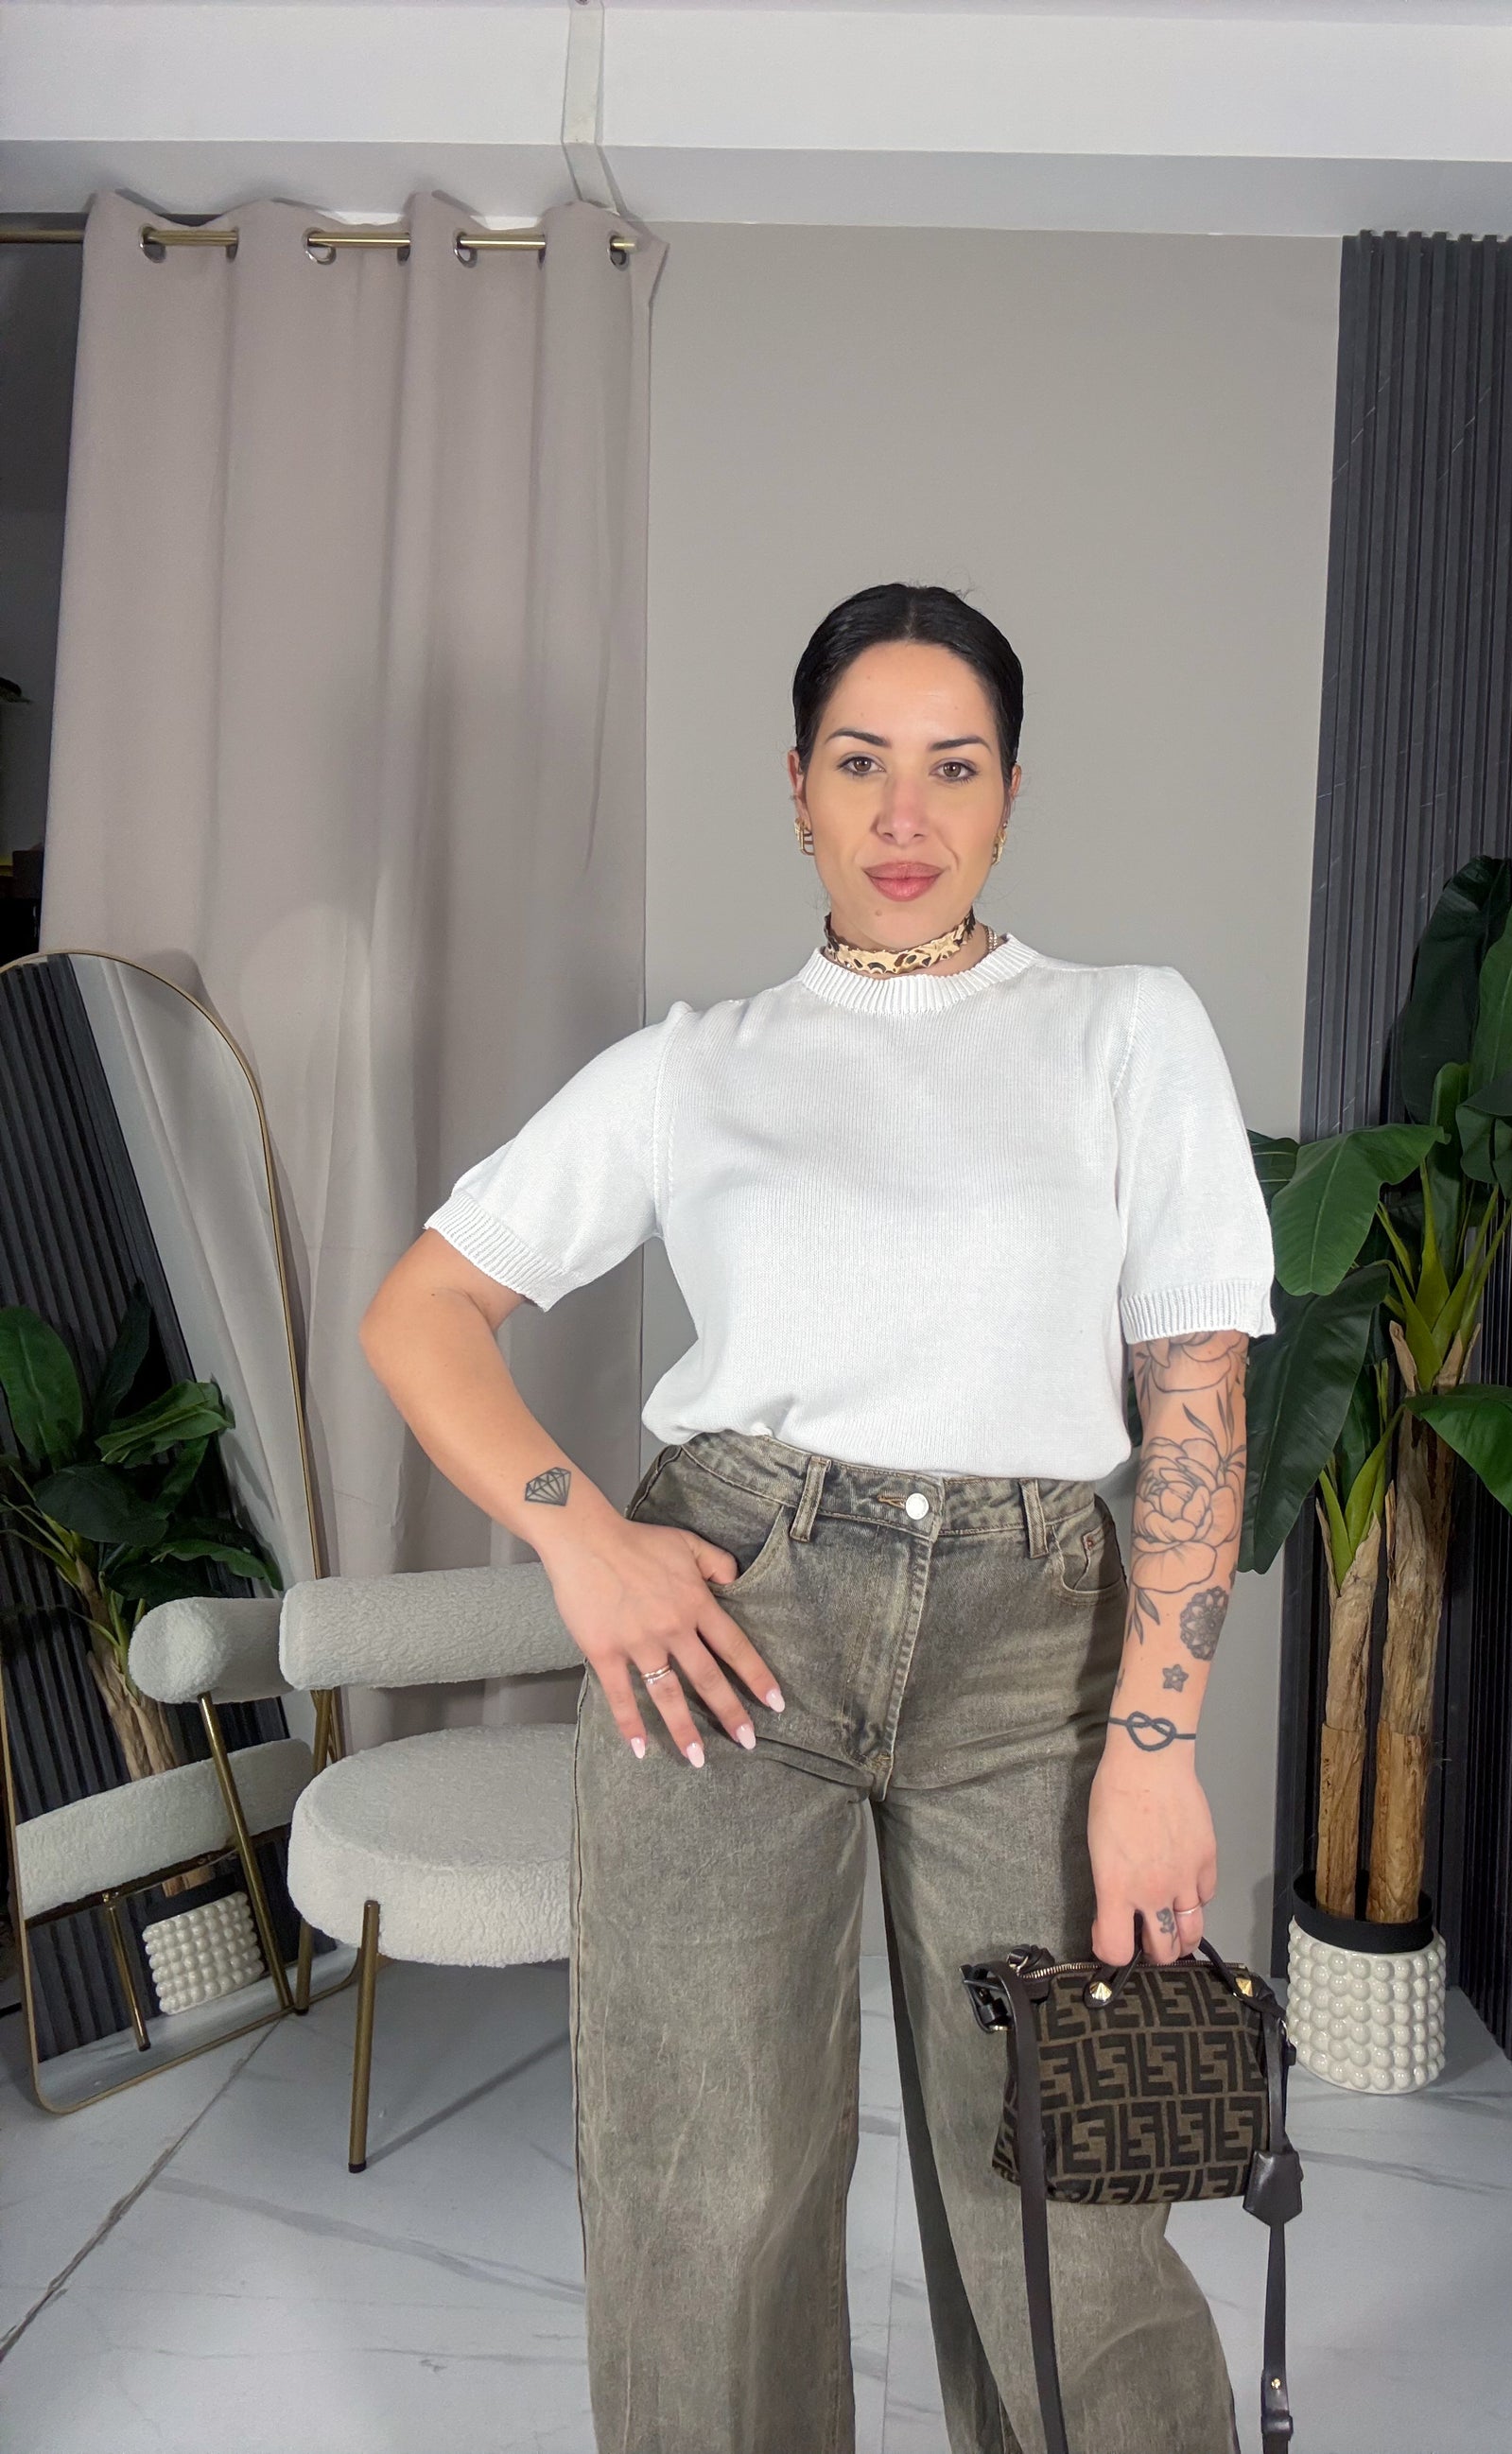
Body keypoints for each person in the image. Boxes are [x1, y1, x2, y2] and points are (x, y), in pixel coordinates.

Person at [359, 581, 1277, 2454]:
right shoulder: (692, 1066)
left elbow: (1196, 1389)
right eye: (860, 763)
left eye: (954, 766)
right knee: (704, 2194)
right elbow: (421, 1310)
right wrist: (579, 1536)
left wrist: (1155, 1743)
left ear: (1011, 790)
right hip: (733, 1623)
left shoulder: (1125, 1029)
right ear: (795, 787)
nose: (904, 814)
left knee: (1070, 2203)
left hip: (1035, 1642)